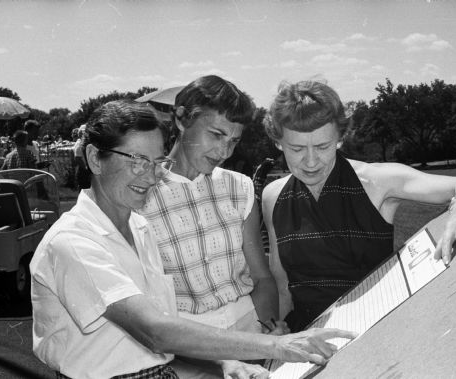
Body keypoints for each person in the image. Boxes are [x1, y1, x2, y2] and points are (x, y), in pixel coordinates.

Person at [30, 100, 356, 379]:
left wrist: (225, 362)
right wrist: (280, 345)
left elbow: (164, 328)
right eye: (135, 160)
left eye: (157, 162)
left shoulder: (138, 228)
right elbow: (155, 331)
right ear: (94, 158)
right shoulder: (73, 240)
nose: (151, 175)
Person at [261, 80, 456, 332]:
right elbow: (282, 285)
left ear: (340, 138)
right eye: (296, 148)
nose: (310, 161)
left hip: (375, 330)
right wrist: (277, 330)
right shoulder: (273, 196)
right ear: (278, 142)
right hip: (307, 336)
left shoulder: (377, 181)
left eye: (322, 146)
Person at [139, 76, 288, 376]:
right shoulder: (141, 194)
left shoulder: (239, 187)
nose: (225, 151)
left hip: (249, 331)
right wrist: (220, 362)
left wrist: (270, 334)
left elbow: (261, 277)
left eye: (233, 140)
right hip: (186, 350)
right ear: (181, 119)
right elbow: (149, 316)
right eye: (216, 134)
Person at [73, 124, 91, 189]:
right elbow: (77, 158)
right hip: (83, 170)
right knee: (85, 189)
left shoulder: (85, 142)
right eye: (83, 132)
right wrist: (86, 168)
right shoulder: (79, 143)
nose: (85, 134)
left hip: (85, 169)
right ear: (80, 133)